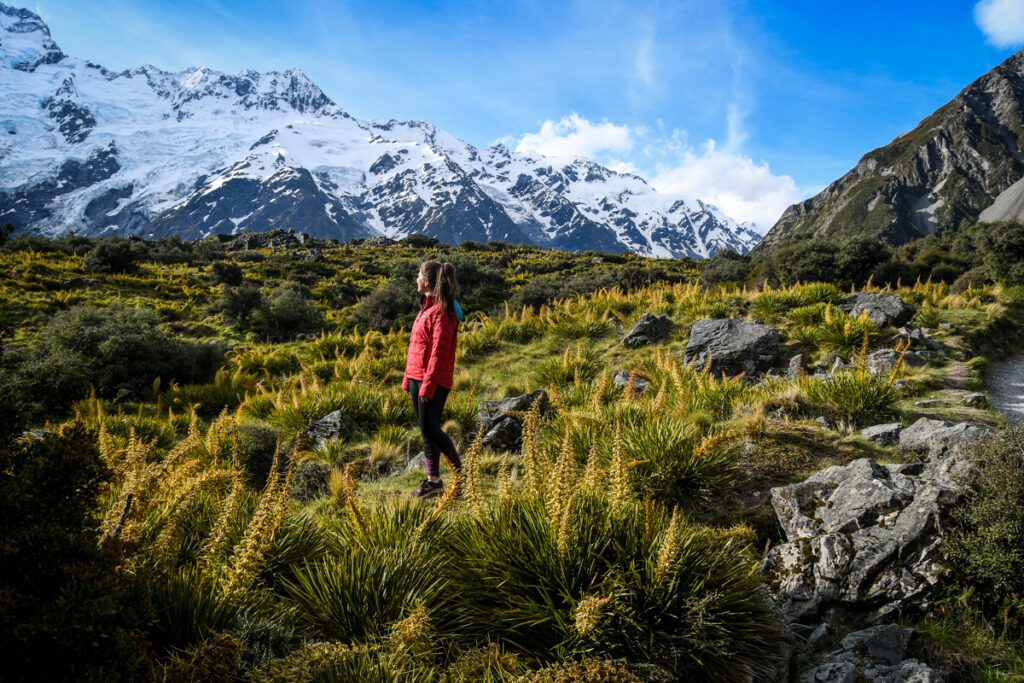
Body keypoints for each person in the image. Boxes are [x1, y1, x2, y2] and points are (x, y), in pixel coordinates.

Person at [402, 260, 463, 498]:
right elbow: (417, 347)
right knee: (426, 430)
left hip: (433, 379)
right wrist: (409, 378)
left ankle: (461, 475)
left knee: (431, 428)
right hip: (417, 376)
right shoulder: (426, 308)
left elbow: (438, 353)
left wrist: (428, 385)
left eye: (418, 275)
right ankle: (433, 481)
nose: (416, 279)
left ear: (426, 281)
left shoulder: (441, 312)